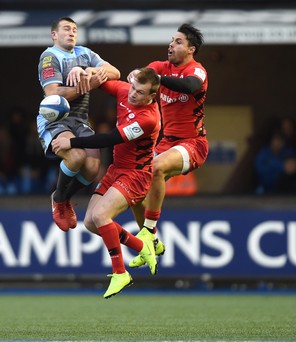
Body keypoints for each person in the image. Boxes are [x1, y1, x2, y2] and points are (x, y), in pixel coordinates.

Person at [52, 68, 161, 298]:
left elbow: (109, 139)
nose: (132, 94)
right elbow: (101, 81)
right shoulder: (125, 90)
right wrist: (84, 71)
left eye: (140, 92)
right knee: (91, 223)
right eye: (132, 87)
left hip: (136, 175)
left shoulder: (148, 119)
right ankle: (143, 247)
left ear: (151, 97)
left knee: (101, 216)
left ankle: (120, 273)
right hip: (116, 170)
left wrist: (72, 143)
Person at [127, 23, 209, 268]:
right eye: (172, 40)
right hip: (166, 143)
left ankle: (148, 230)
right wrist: (135, 76)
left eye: (178, 41)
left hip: (193, 144)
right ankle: (151, 240)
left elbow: (190, 86)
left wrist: (159, 79)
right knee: (132, 187)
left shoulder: (198, 71)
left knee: (156, 167)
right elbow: (141, 80)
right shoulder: (157, 67)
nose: (171, 45)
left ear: (191, 49)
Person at [37, 17, 121, 232]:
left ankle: (62, 198)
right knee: (76, 156)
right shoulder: (49, 57)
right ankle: (59, 200)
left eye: (74, 29)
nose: (71, 32)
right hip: (55, 119)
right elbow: (54, 93)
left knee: (93, 168)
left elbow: (114, 72)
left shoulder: (85, 53)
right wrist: (89, 83)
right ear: (54, 35)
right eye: (66, 28)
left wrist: (87, 71)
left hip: (80, 120)